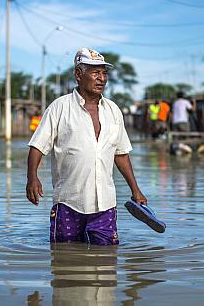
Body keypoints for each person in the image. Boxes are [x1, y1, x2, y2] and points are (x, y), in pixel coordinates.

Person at [26, 48, 148, 246]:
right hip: (68, 202)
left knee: (107, 263)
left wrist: (136, 190)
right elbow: (37, 146)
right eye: (95, 73)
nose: (101, 79)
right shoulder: (59, 107)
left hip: (105, 204)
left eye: (104, 73)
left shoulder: (113, 110)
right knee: (63, 259)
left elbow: (121, 154)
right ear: (78, 75)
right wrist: (32, 177)